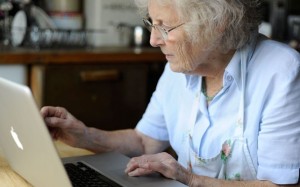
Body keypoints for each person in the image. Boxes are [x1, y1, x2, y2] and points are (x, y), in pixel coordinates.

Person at [41, 0, 300, 186]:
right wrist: (84, 135)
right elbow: (145, 142)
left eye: (165, 27)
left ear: (216, 24)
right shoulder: (181, 66)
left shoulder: (282, 72)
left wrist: (189, 179)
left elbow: (281, 186)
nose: (154, 39)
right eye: (152, 23)